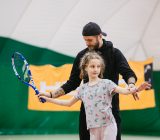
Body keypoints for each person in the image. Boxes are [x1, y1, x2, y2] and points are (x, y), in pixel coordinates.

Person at [38, 22, 138, 140]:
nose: (87, 43)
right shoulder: (82, 56)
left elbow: (128, 73)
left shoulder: (114, 53)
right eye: (85, 40)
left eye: (90, 40)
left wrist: (131, 85)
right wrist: (51, 94)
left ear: (100, 36)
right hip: (88, 113)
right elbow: (72, 82)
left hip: (110, 112)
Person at [38, 52, 151, 140]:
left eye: (98, 66)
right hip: (92, 128)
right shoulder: (82, 88)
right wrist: (48, 99)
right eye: (92, 66)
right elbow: (67, 103)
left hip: (108, 126)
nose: (95, 69)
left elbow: (125, 91)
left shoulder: (107, 83)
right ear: (85, 68)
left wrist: (137, 88)